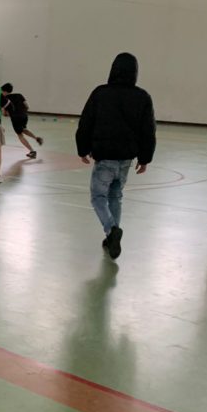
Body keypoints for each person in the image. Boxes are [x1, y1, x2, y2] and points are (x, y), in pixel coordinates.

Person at [75, 52, 156, 260]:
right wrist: (145, 158)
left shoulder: (100, 93)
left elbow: (86, 122)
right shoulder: (142, 97)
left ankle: (111, 231)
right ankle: (112, 237)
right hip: (126, 158)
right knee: (115, 196)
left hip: (104, 156)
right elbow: (148, 130)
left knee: (98, 197)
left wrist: (82, 149)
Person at [1, 83, 43, 158]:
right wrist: (22, 112)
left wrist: (9, 113)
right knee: (23, 129)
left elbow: (4, 113)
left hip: (15, 118)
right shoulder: (19, 95)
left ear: (4, 91)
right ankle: (36, 138)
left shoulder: (4, 99)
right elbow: (27, 106)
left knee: (20, 135)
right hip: (24, 116)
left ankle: (32, 151)